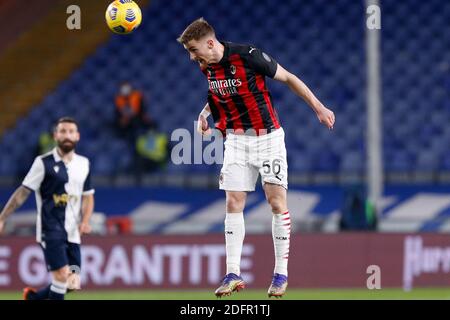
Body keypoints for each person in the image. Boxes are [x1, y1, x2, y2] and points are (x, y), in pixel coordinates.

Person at [177, 18, 335, 298]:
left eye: (193, 49)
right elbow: (218, 93)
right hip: (236, 140)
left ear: (210, 43)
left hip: (268, 138)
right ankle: (233, 273)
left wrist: (319, 107)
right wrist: (204, 115)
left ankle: (280, 273)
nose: (192, 57)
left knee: (276, 202)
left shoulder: (248, 56)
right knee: (233, 201)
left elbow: (288, 78)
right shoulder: (206, 67)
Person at [0, 117, 95, 300]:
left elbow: (88, 196)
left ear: (78, 136)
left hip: (73, 234)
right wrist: (2, 218)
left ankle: (33, 298)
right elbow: (22, 193)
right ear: (55, 135)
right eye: (63, 131)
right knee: (60, 276)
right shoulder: (43, 163)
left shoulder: (84, 164)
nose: (67, 135)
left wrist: (85, 221)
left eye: (70, 131)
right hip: (51, 230)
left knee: (72, 282)